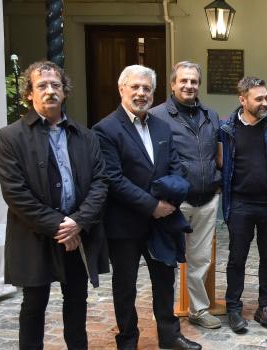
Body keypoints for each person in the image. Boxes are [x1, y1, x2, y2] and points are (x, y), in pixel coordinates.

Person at [0, 60, 109, 349]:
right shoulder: (10, 137)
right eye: (42, 85)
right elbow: (15, 193)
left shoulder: (86, 136)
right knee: (34, 304)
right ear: (29, 94)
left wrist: (78, 223)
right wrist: (62, 227)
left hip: (78, 233)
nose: (50, 91)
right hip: (35, 235)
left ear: (65, 91)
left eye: (55, 85)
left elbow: (100, 183)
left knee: (76, 302)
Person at [93, 65, 201, 350]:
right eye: (136, 87)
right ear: (122, 89)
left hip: (162, 223)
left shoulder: (161, 126)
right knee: (125, 286)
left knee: (165, 281)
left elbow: (177, 169)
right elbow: (112, 179)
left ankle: (170, 336)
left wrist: (170, 203)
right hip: (125, 224)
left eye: (147, 89)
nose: (141, 93)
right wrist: (152, 205)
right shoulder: (105, 130)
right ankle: (127, 341)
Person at [149, 61, 222, 330]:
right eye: (184, 81)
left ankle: (198, 310)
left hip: (207, 198)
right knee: (165, 260)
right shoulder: (156, 116)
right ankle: (164, 314)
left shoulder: (210, 115)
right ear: (172, 84)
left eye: (194, 81)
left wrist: (218, 183)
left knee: (201, 258)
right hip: (174, 202)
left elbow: (217, 153)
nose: (189, 85)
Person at [219, 76, 267, 332]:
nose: (264, 102)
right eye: (258, 99)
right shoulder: (227, 128)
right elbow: (220, 163)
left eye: (266, 97)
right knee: (237, 259)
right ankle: (233, 309)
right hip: (239, 204)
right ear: (242, 100)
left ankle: (264, 307)